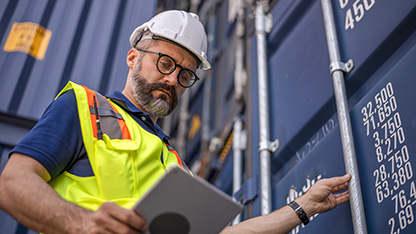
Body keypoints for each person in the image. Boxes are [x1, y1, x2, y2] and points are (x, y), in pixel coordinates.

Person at [0, 10, 351, 234]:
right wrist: (83, 225)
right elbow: (11, 184)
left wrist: (302, 207)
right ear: (133, 57)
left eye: (185, 75)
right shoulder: (83, 106)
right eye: (165, 64)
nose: (173, 80)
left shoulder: (176, 163)